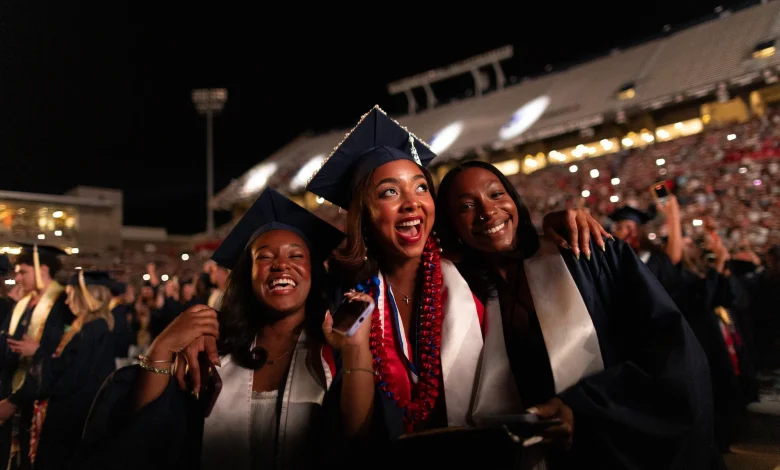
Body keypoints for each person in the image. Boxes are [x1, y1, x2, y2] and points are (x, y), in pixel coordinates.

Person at [435, 161, 719, 469]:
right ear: (453, 226)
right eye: (466, 206)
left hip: (624, 452)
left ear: (514, 199)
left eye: (496, 194)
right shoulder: (462, 294)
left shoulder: (587, 254)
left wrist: (584, 409)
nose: (487, 211)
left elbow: (671, 353)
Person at [74, 188, 344, 470]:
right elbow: (143, 439)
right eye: (264, 257)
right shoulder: (216, 350)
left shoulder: (336, 348)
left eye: (296, 255)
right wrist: (162, 348)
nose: (281, 265)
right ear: (247, 275)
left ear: (313, 271)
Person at [26, 270, 116, 469]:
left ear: (85, 296)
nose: (67, 302)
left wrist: (39, 353)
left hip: (71, 419)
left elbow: (70, 376)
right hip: (81, 415)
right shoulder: (96, 328)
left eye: (70, 295)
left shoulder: (92, 331)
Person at [0, 244, 73, 470]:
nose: (18, 278)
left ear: (42, 270)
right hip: (12, 393)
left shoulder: (63, 304)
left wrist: (14, 401)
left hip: (41, 403)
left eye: (23, 272)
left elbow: (62, 357)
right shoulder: (22, 304)